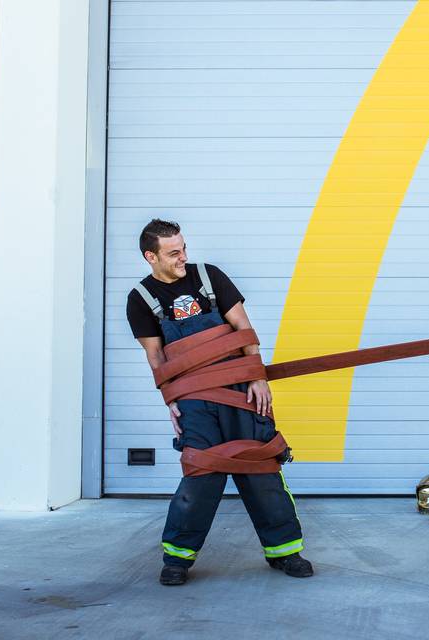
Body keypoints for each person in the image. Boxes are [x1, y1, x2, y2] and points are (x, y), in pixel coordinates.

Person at [126, 218, 313, 585]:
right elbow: (157, 358)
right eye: (173, 252)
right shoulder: (141, 299)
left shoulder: (208, 277)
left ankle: (285, 552)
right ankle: (177, 559)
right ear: (151, 256)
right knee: (201, 474)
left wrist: (258, 376)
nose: (183, 257)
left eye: (184, 248)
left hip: (242, 391)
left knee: (261, 468)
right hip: (195, 399)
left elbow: (244, 329)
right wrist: (171, 401)